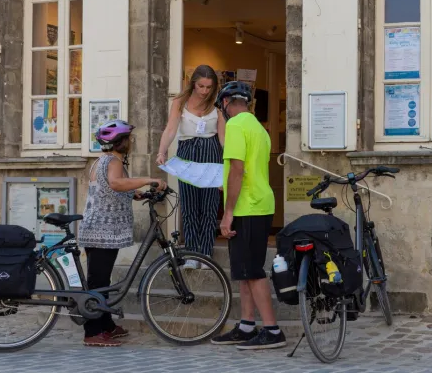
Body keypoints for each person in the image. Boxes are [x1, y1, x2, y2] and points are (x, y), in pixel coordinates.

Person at [78, 120, 167, 347]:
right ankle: (93, 332)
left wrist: (136, 193)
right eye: (129, 138)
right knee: (98, 281)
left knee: (102, 279)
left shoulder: (103, 160)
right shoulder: (113, 161)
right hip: (102, 231)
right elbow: (116, 183)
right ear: (120, 141)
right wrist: (150, 179)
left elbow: (110, 189)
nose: (131, 142)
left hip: (100, 230)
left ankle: (106, 324)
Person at [210, 81, 286, 350]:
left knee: (252, 271)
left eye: (222, 107)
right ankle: (246, 325)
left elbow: (238, 171)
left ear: (227, 103)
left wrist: (227, 213)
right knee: (244, 270)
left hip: (248, 206)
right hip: (261, 203)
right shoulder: (259, 128)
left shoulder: (235, 125)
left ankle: (273, 330)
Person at [156, 65, 226, 269]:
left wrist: (228, 164)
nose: (204, 91)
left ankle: (205, 254)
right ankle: (192, 254)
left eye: (208, 87)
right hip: (187, 152)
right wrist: (162, 151)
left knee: (209, 206)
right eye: (201, 86)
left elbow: (223, 138)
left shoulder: (217, 103)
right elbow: (170, 129)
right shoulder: (180, 101)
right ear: (193, 83)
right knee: (189, 206)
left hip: (211, 154)